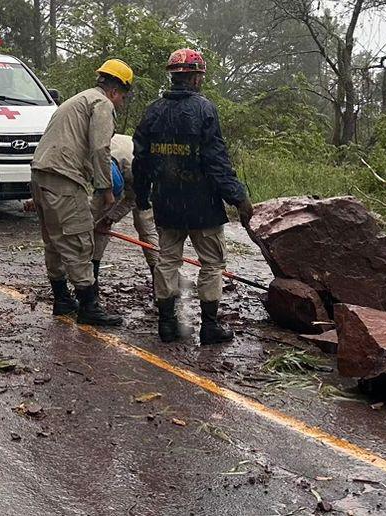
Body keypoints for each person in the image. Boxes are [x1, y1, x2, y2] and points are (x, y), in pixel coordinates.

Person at [132, 48, 254, 344]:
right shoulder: (204, 109)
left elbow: (141, 159)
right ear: (197, 78)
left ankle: (167, 324)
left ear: (173, 77)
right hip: (203, 205)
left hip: (166, 202)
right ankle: (209, 327)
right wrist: (238, 197)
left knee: (167, 260)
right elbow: (216, 161)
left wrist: (142, 196)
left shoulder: (153, 111)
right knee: (212, 263)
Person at [30, 59, 133, 327]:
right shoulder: (102, 104)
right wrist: (105, 188)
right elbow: (100, 148)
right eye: (122, 97)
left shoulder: (77, 100)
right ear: (115, 91)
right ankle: (89, 307)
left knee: (54, 241)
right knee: (79, 241)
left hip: (40, 174)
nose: (121, 103)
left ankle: (62, 299)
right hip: (63, 179)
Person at [91, 134, 159, 294]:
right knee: (97, 224)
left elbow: (132, 199)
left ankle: (160, 280)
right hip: (107, 174)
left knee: (144, 225)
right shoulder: (96, 157)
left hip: (141, 181)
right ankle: (91, 279)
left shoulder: (139, 167)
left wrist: (111, 218)